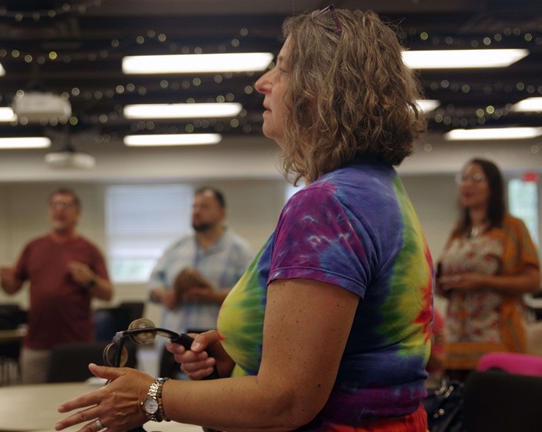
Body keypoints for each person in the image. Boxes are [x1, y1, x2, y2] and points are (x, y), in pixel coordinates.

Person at [55, 6, 433, 431]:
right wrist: (245, 352)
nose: (262, 82)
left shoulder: (326, 206)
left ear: (321, 89)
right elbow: (346, 353)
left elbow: (285, 401)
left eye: (283, 68)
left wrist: (151, 396)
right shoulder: (378, 188)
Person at [436, 158, 540, 382]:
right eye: (463, 178)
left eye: (476, 179)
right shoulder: (459, 231)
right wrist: (444, 285)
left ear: (492, 187)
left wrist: (483, 282)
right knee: (457, 410)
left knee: (496, 409)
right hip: (457, 341)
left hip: (496, 337)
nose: (467, 185)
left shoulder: (512, 228)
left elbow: (533, 281)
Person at [0, 187, 113, 384]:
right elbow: (12, 289)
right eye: (55, 205)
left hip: (77, 344)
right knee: (33, 403)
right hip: (37, 343)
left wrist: (90, 279)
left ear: (77, 213)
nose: (59, 209)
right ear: (49, 211)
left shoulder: (89, 250)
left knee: (77, 403)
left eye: (66, 205)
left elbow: (108, 294)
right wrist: (3, 279)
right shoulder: (33, 247)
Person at [148, 186, 253, 378]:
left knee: (212, 401)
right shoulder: (177, 247)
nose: (196, 211)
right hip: (173, 340)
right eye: (194, 206)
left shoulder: (240, 251)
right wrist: (164, 295)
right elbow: (154, 282)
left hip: (217, 344)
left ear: (221, 213)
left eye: (204, 206)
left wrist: (213, 296)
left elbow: (250, 295)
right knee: (166, 399)